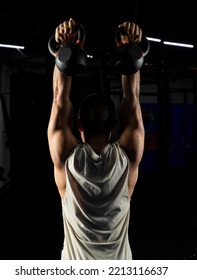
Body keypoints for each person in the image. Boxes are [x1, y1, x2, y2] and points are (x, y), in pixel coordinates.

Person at [47, 18, 145, 260]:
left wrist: (65, 49)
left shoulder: (67, 159)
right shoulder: (128, 157)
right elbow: (131, 98)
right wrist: (130, 48)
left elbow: (60, 99)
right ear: (113, 125)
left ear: (79, 125)